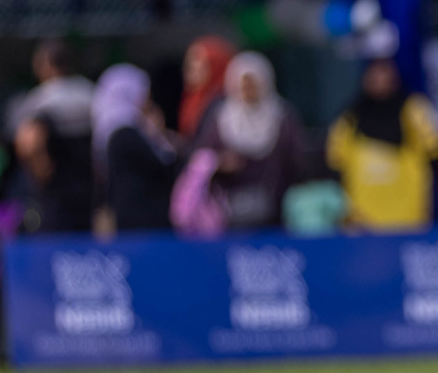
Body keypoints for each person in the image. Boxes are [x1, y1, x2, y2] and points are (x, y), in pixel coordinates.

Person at [326, 23, 438, 232]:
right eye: (374, 72)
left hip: (409, 222)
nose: (380, 79)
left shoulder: (414, 110)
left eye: (385, 71)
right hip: (362, 225)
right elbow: (334, 163)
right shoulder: (350, 118)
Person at [192, 52, 308, 230]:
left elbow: (298, 160)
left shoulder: (282, 118)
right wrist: (221, 163)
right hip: (228, 215)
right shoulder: (220, 119)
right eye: (242, 86)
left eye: (253, 85)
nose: (247, 92)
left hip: (276, 214)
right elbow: (202, 158)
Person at [11, 40, 94, 234]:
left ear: (46, 65)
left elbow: (29, 143)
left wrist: (41, 171)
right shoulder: (89, 93)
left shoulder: (40, 100)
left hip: (56, 193)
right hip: (87, 190)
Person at [93, 63, 179, 233]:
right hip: (143, 221)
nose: (148, 100)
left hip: (132, 218)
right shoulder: (126, 134)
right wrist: (158, 136)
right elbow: (166, 166)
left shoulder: (116, 132)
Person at [179, 35, 235, 138]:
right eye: (188, 63)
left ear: (215, 67)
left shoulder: (222, 106)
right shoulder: (194, 100)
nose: (188, 70)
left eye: (196, 63)